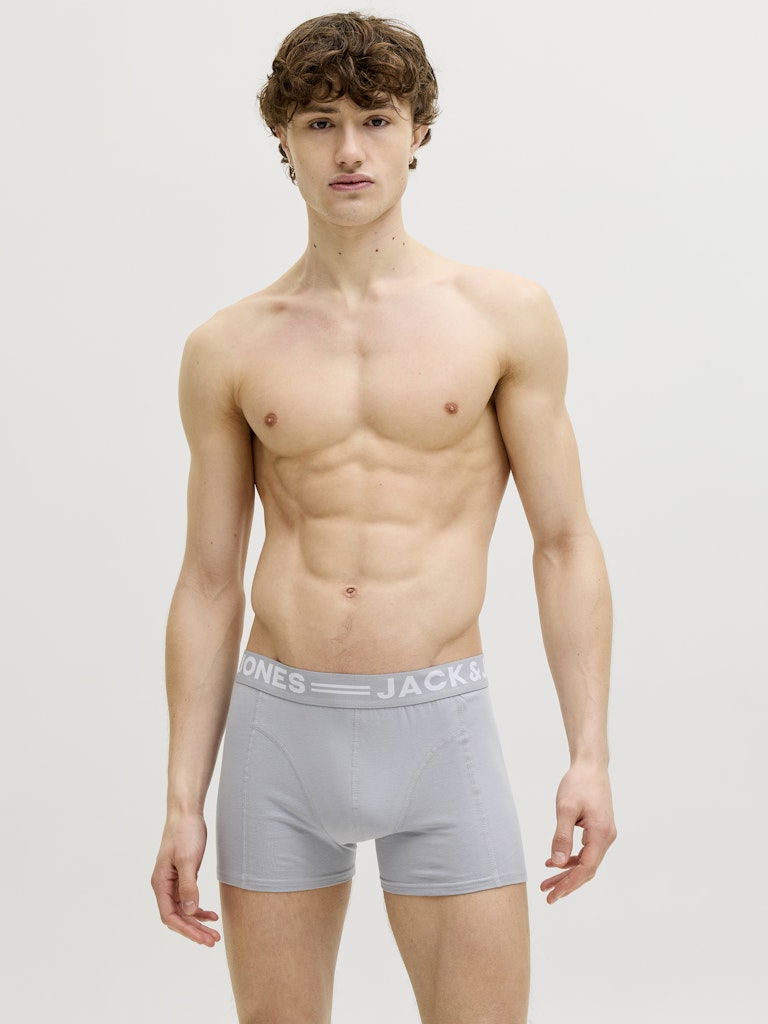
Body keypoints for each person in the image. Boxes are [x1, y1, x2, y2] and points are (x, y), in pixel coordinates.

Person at [151, 11, 617, 1023]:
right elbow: (209, 580)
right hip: (279, 734)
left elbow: (564, 542)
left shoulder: (502, 316)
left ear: (418, 133)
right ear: (284, 138)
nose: (350, 151)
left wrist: (590, 752)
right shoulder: (228, 346)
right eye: (321, 123)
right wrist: (182, 797)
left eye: (375, 119)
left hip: (440, 730)